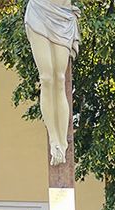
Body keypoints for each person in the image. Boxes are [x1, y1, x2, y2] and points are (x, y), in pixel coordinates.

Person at [25, 0, 80, 164]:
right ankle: (54, 140)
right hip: (39, 10)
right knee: (46, 78)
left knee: (60, 79)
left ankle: (62, 143)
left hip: (62, 16)